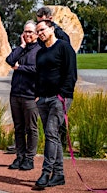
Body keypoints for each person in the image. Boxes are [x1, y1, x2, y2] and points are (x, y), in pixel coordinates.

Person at [33, 20, 77, 189]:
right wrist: (37, 95)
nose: (40, 33)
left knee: (51, 133)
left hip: (59, 99)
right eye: (38, 31)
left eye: (42, 29)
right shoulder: (41, 52)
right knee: (53, 136)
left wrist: (63, 95)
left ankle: (46, 172)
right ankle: (58, 174)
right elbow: (39, 75)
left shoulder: (64, 47)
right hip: (43, 99)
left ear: (52, 29)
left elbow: (71, 73)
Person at [5, 20, 41, 171]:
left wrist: (20, 68)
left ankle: (29, 158)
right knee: (18, 127)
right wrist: (21, 46)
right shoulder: (22, 49)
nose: (27, 35)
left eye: (30, 32)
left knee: (31, 128)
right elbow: (9, 60)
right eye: (25, 32)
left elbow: (38, 69)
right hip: (15, 94)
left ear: (36, 34)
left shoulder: (40, 50)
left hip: (30, 95)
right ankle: (19, 157)